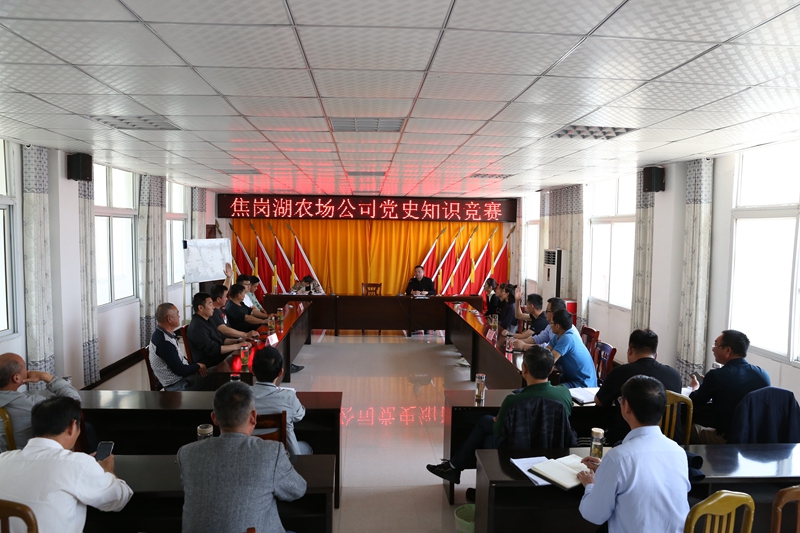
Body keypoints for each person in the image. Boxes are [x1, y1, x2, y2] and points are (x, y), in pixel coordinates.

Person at [426, 346, 572, 484]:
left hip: (516, 451)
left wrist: (500, 420)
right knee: (485, 422)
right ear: (551, 369)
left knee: (486, 438)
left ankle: (457, 470)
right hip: (553, 450)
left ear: (524, 368)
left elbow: (498, 431)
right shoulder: (564, 393)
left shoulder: (513, 401)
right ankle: (456, 469)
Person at [178, 381, 306, 533]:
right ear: (253, 417)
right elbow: (297, 490)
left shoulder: (187, 454)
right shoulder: (271, 452)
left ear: (214, 418)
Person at [0, 396, 133, 533]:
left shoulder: (3, 459)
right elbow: (118, 499)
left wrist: (81, 465)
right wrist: (108, 471)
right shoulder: (79, 464)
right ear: (72, 426)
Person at [577, 376, 690, 533]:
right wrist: (606, 469)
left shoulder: (618, 458)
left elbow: (594, 515)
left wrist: (591, 485)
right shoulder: (678, 452)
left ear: (626, 406)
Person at [595, 329, 682, 444]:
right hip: (670, 442)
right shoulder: (674, 375)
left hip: (625, 441)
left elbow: (600, 402)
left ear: (630, 350)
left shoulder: (620, 373)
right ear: (656, 354)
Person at [689, 329, 770, 444]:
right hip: (756, 439)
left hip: (728, 440)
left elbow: (694, 403)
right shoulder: (763, 375)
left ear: (728, 350)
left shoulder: (716, 376)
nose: (713, 349)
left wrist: (695, 388)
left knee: (685, 427)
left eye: (716, 345)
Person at [0, 353, 81, 452]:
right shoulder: (33, 404)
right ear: (16, 378)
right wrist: (46, 377)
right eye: (24, 367)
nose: (27, 370)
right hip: (31, 457)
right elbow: (73, 403)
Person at [251, 346, 312, 456]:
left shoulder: (241, 397)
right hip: (281, 457)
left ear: (252, 370)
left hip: (249, 453)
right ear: (280, 373)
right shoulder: (288, 397)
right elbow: (299, 415)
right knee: (306, 447)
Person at [149, 303, 209, 391]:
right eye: (177, 314)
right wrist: (198, 366)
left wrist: (195, 366)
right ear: (169, 318)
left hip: (181, 378)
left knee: (214, 373)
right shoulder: (164, 342)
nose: (179, 316)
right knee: (215, 381)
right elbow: (181, 370)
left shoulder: (165, 334)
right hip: (177, 385)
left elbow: (181, 360)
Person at [186, 292, 251, 368]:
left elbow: (221, 339)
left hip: (220, 357)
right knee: (243, 362)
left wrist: (239, 341)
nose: (213, 307)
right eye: (210, 305)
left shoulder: (208, 319)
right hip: (210, 364)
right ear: (201, 308)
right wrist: (237, 346)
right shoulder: (197, 327)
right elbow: (213, 350)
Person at [547, 309, 596, 388]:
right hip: (570, 377)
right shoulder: (559, 334)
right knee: (551, 382)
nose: (550, 325)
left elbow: (549, 361)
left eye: (551, 323)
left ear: (557, 326)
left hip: (583, 383)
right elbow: (546, 351)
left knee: (552, 390)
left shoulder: (567, 338)